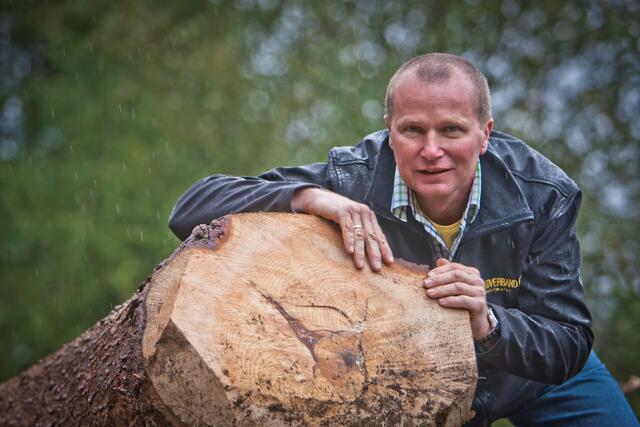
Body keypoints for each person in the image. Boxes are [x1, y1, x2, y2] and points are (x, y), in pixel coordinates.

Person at [168, 53, 638, 426]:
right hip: (414, 383)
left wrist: (487, 322)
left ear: (485, 135)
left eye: (451, 130)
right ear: (390, 133)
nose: (431, 151)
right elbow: (191, 208)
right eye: (412, 130)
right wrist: (312, 198)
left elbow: (568, 341)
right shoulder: (353, 178)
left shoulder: (544, 194)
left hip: (531, 375)